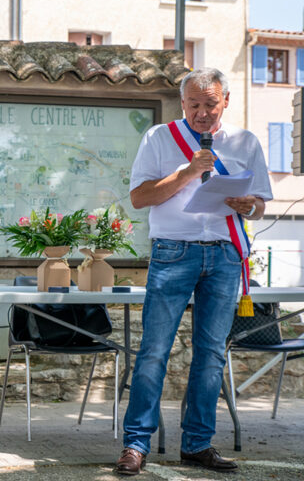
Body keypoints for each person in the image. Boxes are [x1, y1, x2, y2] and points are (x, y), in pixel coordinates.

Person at [115, 68, 273, 476]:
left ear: (225, 102)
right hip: (173, 251)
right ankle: (135, 444)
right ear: (183, 103)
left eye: (211, 104)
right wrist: (186, 173)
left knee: (210, 354)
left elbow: (261, 205)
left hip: (224, 255)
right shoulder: (158, 138)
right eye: (194, 104)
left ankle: (197, 444)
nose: (202, 113)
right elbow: (138, 197)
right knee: (154, 350)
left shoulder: (245, 142)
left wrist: (248, 205)